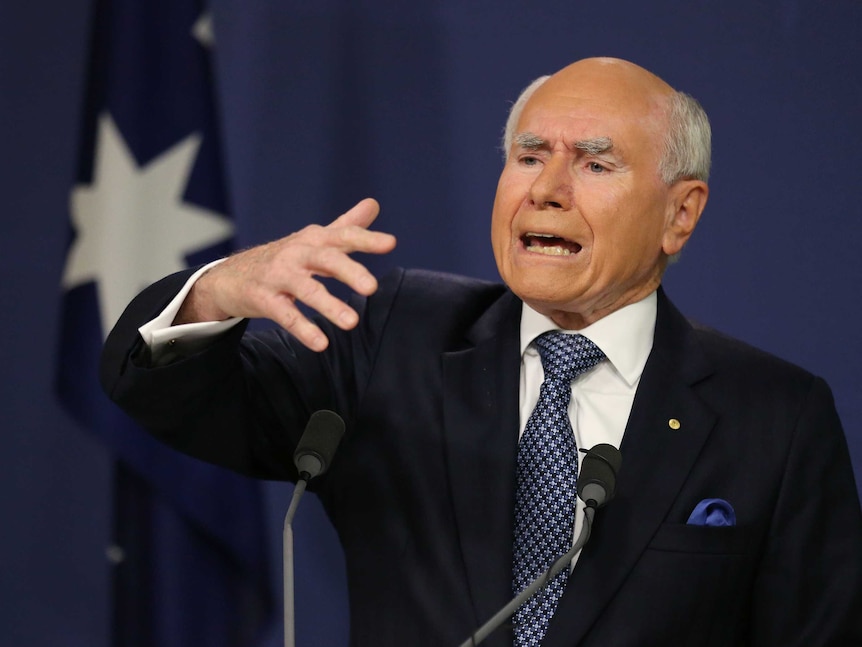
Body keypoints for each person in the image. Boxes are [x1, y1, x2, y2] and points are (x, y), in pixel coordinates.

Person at [101, 57, 862, 646]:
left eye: (595, 163)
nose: (548, 189)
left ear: (680, 215)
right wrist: (215, 293)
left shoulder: (774, 418)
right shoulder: (390, 338)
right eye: (530, 155)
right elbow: (170, 398)